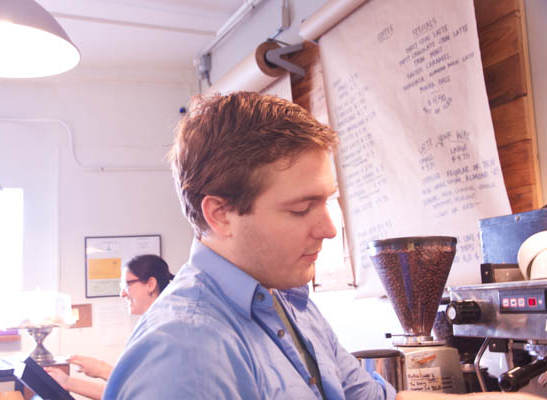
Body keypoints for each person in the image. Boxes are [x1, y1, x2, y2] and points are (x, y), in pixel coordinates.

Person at [103, 92, 543, 400]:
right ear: (220, 214)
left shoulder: (288, 302)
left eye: (327, 201)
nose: (330, 229)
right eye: (301, 208)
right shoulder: (185, 354)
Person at [46, 254, 173, 400]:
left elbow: (148, 392)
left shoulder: (165, 331)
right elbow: (127, 392)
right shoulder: (151, 326)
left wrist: (103, 370)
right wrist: (67, 382)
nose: (122, 294)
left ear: (151, 284)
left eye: (127, 285)